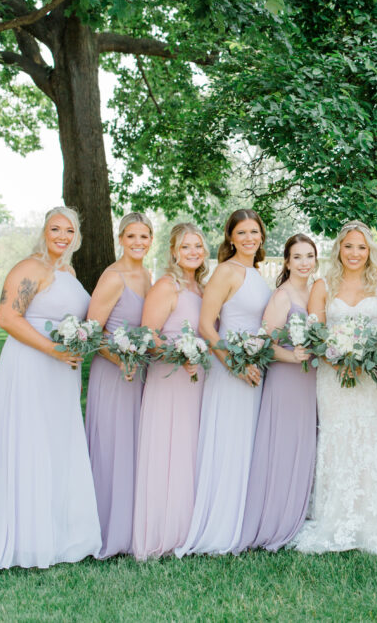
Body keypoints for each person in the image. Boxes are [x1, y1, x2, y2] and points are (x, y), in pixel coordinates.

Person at [0, 207, 101, 569]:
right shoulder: (29, 268)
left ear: (76, 236)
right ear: (44, 231)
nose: (62, 236)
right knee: (29, 441)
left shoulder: (68, 271)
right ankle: (23, 537)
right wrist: (52, 350)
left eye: (69, 230)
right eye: (55, 229)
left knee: (55, 443)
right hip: (31, 366)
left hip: (62, 371)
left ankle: (59, 533)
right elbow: (7, 317)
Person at [293, 221, 377, 556]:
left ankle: (370, 517)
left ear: (370, 251)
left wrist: (374, 360)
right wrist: (337, 357)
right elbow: (316, 334)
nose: (355, 253)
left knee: (369, 438)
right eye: (348, 246)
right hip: (333, 377)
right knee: (336, 437)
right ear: (338, 248)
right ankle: (332, 516)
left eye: (362, 247)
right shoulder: (322, 285)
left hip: (371, 381)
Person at [179, 209, 271, 555]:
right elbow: (206, 325)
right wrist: (235, 365)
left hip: (254, 369)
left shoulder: (256, 274)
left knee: (247, 445)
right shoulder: (226, 271)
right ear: (230, 238)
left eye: (254, 232)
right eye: (242, 233)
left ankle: (244, 523)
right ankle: (220, 528)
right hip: (230, 369)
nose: (249, 238)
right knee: (229, 444)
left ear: (262, 236)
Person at [236, 234, 319, 552]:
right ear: (287, 261)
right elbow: (264, 343)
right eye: (297, 257)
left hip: (310, 381)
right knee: (282, 447)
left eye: (309, 256)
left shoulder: (314, 291)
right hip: (286, 380)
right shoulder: (283, 295)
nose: (304, 262)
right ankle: (274, 521)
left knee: (303, 446)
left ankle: (295, 516)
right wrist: (291, 356)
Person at [132, 223, 209, 560]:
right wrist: (181, 354)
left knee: (191, 451)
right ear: (174, 252)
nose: (193, 252)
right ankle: (165, 532)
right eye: (185, 247)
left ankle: (190, 526)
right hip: (170, 380)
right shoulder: (167, 286)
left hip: (197, 381)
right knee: (170, 450)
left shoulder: (202, 288)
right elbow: (147, 336)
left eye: (198, 246)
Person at [85, 212, 153, 558]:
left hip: (137, 373)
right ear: (121, 239)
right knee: (111, 447)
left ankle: (130, 528)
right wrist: (120, 360)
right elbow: (91, 333)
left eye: (144, 237)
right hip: (112, 373)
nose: (138, 243)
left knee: (133, 447)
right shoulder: (113, 277)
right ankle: (102, 530)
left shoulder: (148, 275)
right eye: (132, 237)